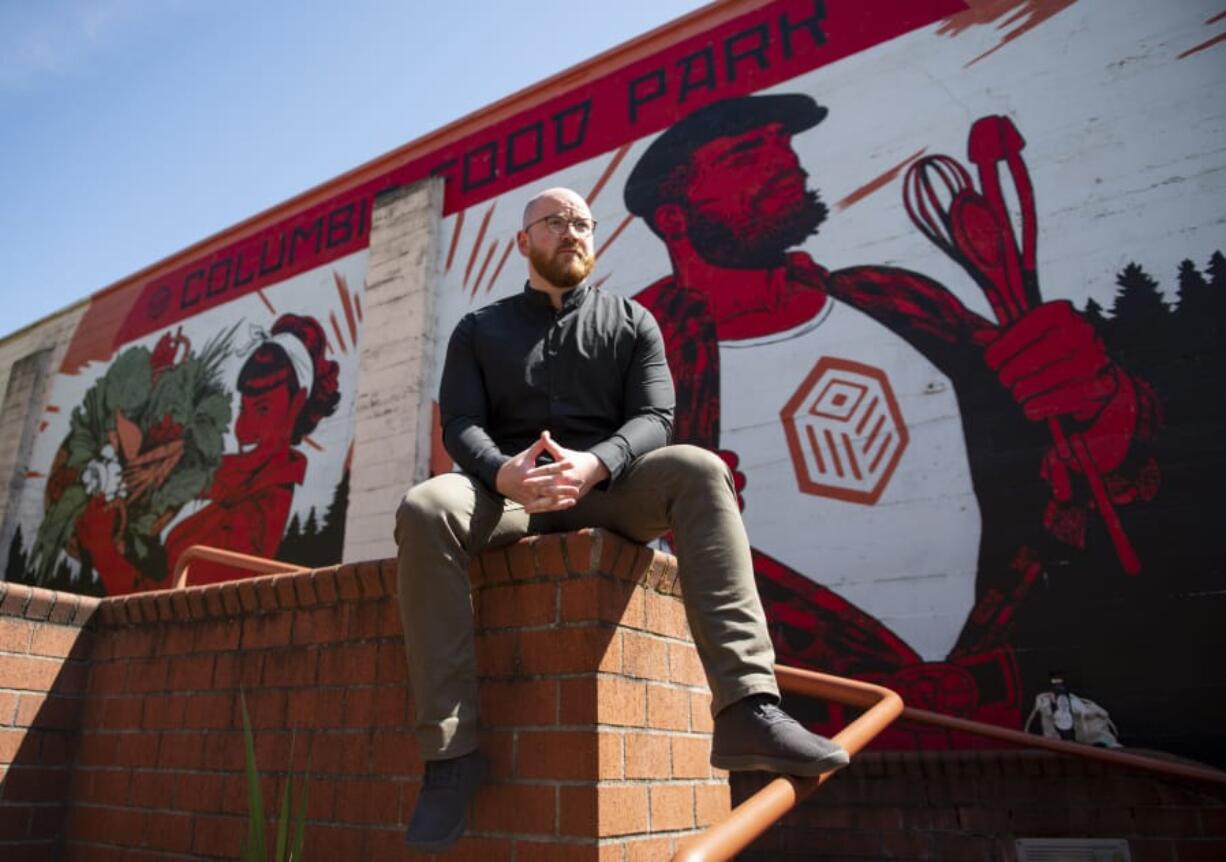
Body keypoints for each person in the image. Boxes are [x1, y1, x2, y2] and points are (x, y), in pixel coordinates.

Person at [622, 94, 1159, 740]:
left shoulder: (894, 300)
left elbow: (1074, 456)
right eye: (745, 156)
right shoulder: (640, 354)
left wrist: (1106, 405)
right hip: (786, 736)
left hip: (1004, 719)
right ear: (676, 218)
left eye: (781, 145)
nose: (784, 164)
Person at [394, 187, 849, 852]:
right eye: (555, 222)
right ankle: (451, 754)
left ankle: (750, 708)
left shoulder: (634, 323)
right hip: (509, 497)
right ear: (523, 242)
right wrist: (503, 473)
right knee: (425, 506)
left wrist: (594, 464)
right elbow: (460, 421)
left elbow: (656, 418)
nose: (572, 231)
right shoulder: (477, 329)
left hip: (607, 489)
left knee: (698, 469)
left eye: (582, 222)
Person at [74, 314, 340, 591]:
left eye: (262, 409)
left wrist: (103, 549)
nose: (241, 431)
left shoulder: (255, 519)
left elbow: (169, 611)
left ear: (297, 404)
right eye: (242, 410)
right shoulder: (234, 473)